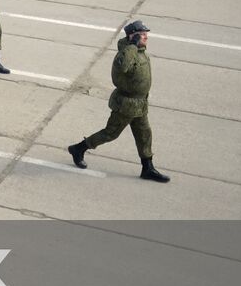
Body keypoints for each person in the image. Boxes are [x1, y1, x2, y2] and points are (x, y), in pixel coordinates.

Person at [68, 21, 170, 182]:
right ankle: (78, 149)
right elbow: (123, 68)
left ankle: (147, 168)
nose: (146, 37)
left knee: (144, 134)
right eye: (142, 34)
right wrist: (132, 46)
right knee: (111, 133)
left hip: (140, 104)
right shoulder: (125, 53)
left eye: (146, 34)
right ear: (132, 36)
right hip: (127, 105)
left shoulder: (140, 51)